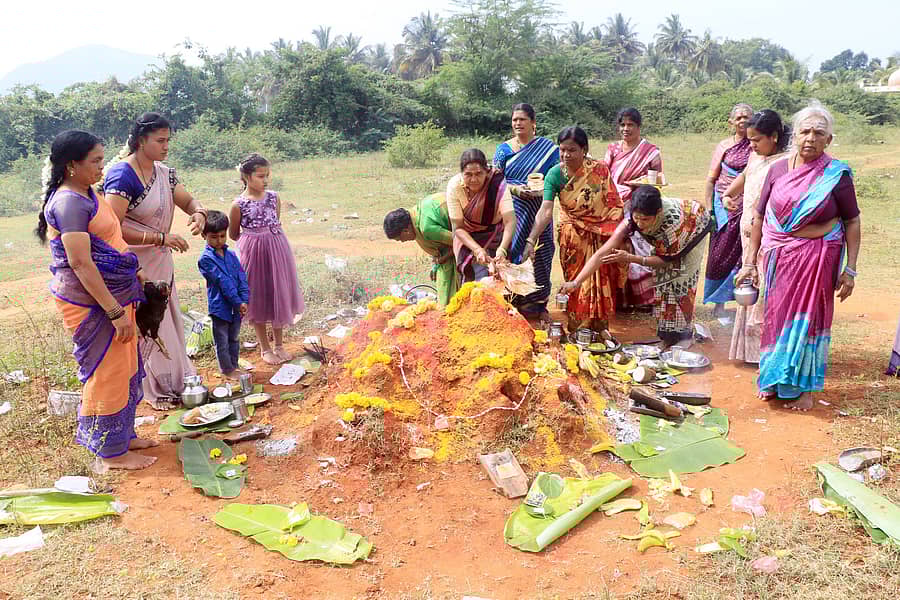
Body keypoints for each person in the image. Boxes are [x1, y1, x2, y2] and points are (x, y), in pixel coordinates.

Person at [37, 130, 156, 470]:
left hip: (118, 292)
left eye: (102, 160)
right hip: (94, 303)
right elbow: (81, 263)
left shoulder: (87, 192)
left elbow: (112, 239)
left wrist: (136, 276)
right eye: (96, 161)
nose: (102, 168)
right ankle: (110, 451)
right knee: (108, 370)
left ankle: (124, 435)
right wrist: (114, 311)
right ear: (72, 165)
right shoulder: (68, 202)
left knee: (128, 365)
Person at [735, 102, 862, 410]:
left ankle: (804, 387)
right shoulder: (777, 169)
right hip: (779, 256)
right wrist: (750, 262)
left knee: (810, 320)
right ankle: (773, 378)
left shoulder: (836, 175)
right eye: (805, 131)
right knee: (776, 316)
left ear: (828, 140)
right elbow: (759, 216)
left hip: (819, 258)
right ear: (795, 136)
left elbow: (852, 221)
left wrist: (851, 270)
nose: (811, 138)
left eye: (819, 133)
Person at [103, 112, 202, 410]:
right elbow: (113, 227)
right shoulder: (123, 175)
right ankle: (156, 387)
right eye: (160, 140)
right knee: (148, 325)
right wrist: (159, 238)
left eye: (168, 140)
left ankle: (176, 381)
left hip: (161, 261)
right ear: (140, 141)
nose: (166, 146)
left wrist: (199, 212)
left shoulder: (164, 173)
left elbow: (187, 201)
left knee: (166, 320)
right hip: (136, 265)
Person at [561, 185, 712, 347]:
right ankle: (668, 335)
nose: (639, 224)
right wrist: (575, 282)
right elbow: (601, 253)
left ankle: (684, 337)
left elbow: (666, 260)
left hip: (693, 227)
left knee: (682, 280)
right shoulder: (631, 220)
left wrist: (631, 258)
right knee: (663, 281)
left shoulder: (672, 224)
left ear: (658, 213)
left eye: (645, 220)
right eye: (636, 218)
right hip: (668, 241)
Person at [526, 126, 624, 332]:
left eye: (571, 150)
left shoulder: (600, 170)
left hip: (601, 235)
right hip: (572, 236)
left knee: (599, 277)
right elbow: (546, 210)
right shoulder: (554, 174)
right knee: (575, 281)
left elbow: (614, 204)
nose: (566, 155)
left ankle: (598, 327)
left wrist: (612, 231)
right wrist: (531, 239)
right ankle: (578, 327)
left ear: (584, 149)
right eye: (562, 150)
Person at [726, 110, 791, 363]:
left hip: (770, 235)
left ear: (774, 137)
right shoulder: (755, 156)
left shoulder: (786, 163)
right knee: (749, 282)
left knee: (766, 288)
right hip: (748, 233)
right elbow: (745, 176)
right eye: (750, 139)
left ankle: (766, 353)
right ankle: (747, 351)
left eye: (756, 139)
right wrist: (728, 194)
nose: (751, 144)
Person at [229, 153, 305, 365]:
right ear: (246, 176)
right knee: (257, 296)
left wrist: (268, 238)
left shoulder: (273, 197)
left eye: (267, 176)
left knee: (277, 293)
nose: (265, 180)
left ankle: (279, 345)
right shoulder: (238, 204)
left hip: (277, 249)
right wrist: (256, 240)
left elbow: (276, 221)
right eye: (260, 176)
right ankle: (265, 348)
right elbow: (234, 234)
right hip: (252, 253)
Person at [493, 103, 560, 318]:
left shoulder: (548, 149)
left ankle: (539, 305)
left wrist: (541, 190)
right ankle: (513, 302)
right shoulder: (504, 150)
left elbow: (556, 177)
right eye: (514, 120)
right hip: (514, 211)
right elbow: (495, 181)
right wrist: (516, 189)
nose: (518, 123)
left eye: (522, 119)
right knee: (514, 252)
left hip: (541, 208)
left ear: (533, 123)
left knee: (542, 252)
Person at [604, 107, 664, 310]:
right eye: (622, 124)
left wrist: (637, 187)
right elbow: (604, 178)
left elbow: (656, 183)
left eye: (630, 125)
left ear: (639, 127)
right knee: (617, 249)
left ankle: (643, 300)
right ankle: (620, 299)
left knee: (640, 248)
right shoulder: (613, 149)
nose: (625, 129)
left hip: (638, 207)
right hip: (612, 207)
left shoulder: (651, 152)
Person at [703, 103, 754, 318]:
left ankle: (745, 298)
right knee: (719, 253)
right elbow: (711, 179)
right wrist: (709, 209)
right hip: (724, 204)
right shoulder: (724, 146)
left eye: (747, 117)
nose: (742, 120)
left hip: (749, 204)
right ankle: (718, 302)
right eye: (739, 117)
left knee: (746, 253)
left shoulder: (758, 145)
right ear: (731, 122)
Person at [447, 148, 517, 283]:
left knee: (500, 278)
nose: (474, 179)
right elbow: (458, 228)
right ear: (461, 173)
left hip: (495, 235)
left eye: (479, 173)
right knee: (474, 283)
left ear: (486, 171)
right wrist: (477, 250)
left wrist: (502, 250)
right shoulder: (454, 186)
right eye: (468, 174)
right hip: (467, 237)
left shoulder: (497, 184)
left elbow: (510, 220)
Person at [199, 210, 249, 379]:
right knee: (222, 341)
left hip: (237, 306)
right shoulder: (205, 259)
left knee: (234, 338)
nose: (219, 240)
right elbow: (223, 282)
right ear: (203, 235)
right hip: (221, 307)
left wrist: (244, 300)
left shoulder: (231, 255)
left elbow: (241, 276)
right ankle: (227, 369)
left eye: (222, 236)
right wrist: (237, 302)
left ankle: (234, 366)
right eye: (214, 237)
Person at [383, 194, 458, 306]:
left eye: (400, 239)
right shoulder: (415, 216)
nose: (403, 242)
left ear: (406, 231)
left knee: (453, 301)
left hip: (474, 240)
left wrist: (441, 260)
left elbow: (460, 243)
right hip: (451, 247)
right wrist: (436, 264)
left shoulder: (427, 228)